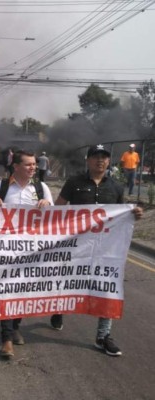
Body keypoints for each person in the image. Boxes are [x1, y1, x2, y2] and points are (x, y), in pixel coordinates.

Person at [50, 144, 143, 356]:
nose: (100, 160)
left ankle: (103, 337)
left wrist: (134, 214)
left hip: (105, 248)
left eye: (104, 157)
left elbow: (122, 215)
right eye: (95, 157)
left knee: (107, 285)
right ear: (88, 160)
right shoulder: (74, 182)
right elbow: (57, 210)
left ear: (109, 161)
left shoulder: (117, 187)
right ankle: (58, 308)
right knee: (65, 280)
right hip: (75, 246)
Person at [0, 150, 53, 359]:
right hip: (6, 249)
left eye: (34, 164)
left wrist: (46, 205)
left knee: (22, 289)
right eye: (28, 164)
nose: (33, 167)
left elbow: (56, 216)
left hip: (31, 249)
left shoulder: (42, 188)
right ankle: (6, 339)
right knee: (7, 288)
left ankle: (16, 325)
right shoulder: (2, 186)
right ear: (15, 167)